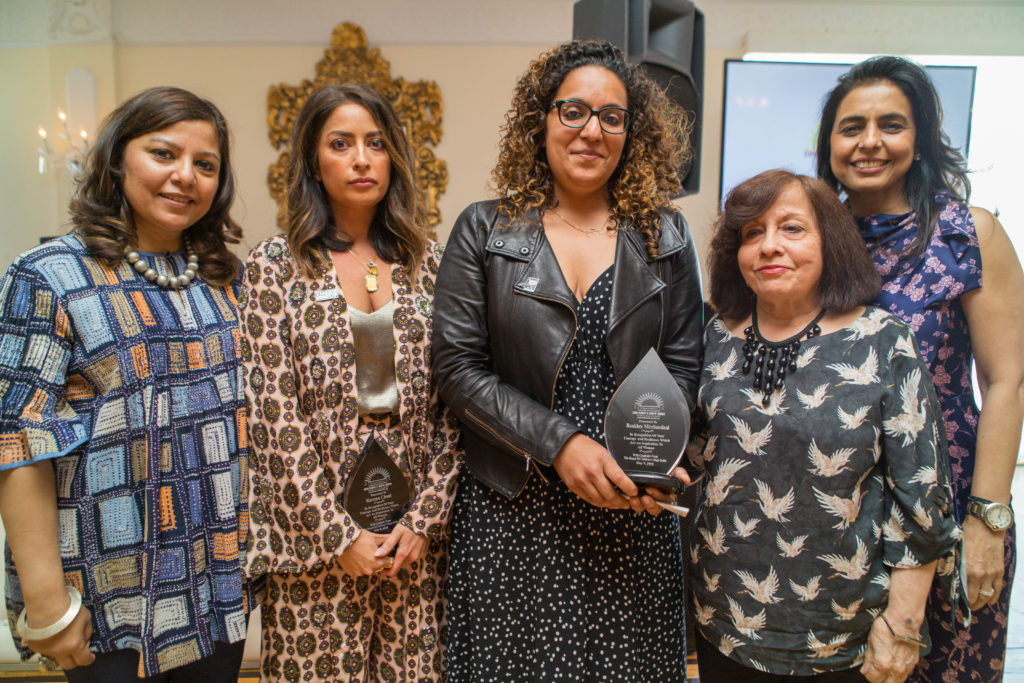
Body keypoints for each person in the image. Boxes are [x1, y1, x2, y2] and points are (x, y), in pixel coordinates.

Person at [432, 40, 704, 681]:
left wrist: (653, 465)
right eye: (573, 110)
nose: (592, 130)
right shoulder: (486, 229)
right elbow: (457, 369)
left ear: (631, 133)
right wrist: (562, 445)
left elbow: (686, 366)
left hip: (628, 515)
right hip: (513, 512)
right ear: (542, 121)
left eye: (612, 116)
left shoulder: (666, 235)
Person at [0, 87, 250, 681]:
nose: (184, 177)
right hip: (108, 590)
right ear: (118, 160)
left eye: (205, 165)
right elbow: (17, 439)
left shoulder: (227, 280)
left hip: (217, 584)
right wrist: (46, 603)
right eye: (164, 154)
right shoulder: (49, 276)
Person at [690, 169, 964, 682]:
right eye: (752, 233)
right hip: (722, 622)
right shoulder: (715, 337)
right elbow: (698, 454)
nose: (769, 246)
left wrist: (903, 624)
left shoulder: (883, 342)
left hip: (842, 636)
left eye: (792, 228)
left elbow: (920, 498)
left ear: (830, 242)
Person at [240, 83, 461, 683]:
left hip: (414, 551)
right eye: (341, 144)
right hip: (314, 554)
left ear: (395, 158)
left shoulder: (434, 266)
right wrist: (339, 535)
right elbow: (270, 417)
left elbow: (459, 401)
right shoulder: (274, 266)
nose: (362, 158)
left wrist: (424, 519)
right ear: (314, 160)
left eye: (376, 143)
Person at [817, 55, 1024, 682]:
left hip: (948, 510)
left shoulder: (969, 232)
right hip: (833, 509)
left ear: (923, 136)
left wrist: (988, 516)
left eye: (892, 124)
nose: (870, 141)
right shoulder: (810, 238)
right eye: (852, 126)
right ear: (829, 141)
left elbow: (1008, 379)